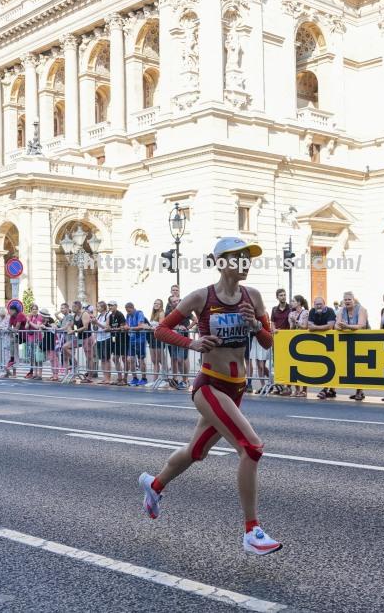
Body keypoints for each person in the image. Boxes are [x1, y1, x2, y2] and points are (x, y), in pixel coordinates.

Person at [140, 237, 281, 555]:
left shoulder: (253, 296)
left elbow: (269, 341)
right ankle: (251, 531)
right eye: (238, 258)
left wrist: (255, 323)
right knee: (252, 447)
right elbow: (161, 329)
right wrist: (192, 343)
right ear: (221, 262)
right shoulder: (201, 297)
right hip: (210, 385)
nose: (244, 263)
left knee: (196, 452)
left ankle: (155, 485)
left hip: (238, 386)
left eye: (247, 258)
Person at [335, 291, 370, 401]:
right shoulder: (341, 310)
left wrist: (346, 326)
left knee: (360, 366)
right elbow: (336, 324)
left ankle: (359, 391)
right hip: (348, 340)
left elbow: (361, 325)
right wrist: (340, 327)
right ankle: (332, 389)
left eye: (349, 299)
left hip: (363, 340)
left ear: (354, 300)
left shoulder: (361, 309)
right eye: (345, 300)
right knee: (348, 365)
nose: (347, 301)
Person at [307, 296, 338, 399]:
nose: (318, 306)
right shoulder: (312, 311)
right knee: (323, 367)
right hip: (318, 343)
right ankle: (332, 390)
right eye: (316, 304)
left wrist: (316, 328)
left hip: (331, 342)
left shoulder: (330, 311)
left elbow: (330, 326)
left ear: (324, 304)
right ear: (314, 305)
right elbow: (309, 326)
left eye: (320, 304)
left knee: (331, 366)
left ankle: (325, 389)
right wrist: (321, 328)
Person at [125, 302, 150, 385]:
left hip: (140, 339)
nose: (128, 312)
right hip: (131, 339)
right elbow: (126, 325)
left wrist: (129, 328)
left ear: (132, 308)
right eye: (127, 311)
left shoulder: (139, 313)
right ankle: (134, 378)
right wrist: (125, 327)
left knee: (140, 360)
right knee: (130, 359)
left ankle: (144, 378)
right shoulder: (128, 315)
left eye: (129, 311)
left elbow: (140, 326)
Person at [93, 301, 114, 384]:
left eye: (98, 307)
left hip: (106, 338)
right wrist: (94, 324)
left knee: (107, 359)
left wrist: (97, 323)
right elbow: (96, 328)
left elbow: (106, 327)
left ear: (103, 307)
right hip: (99, 339)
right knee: (102, 359)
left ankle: (108, 378)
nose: (97, 308)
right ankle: (104, 377)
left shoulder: (108, 315)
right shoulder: (98, 316)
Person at [108, 300, 128, 385]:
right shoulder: (110, 315)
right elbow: (108, 326)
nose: (110, 307)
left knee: (124, 359)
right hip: (114, 339)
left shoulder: (120, 314)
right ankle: (119, 377)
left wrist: (113, 329)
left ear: (116, 306)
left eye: (111, 305)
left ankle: (125, 378)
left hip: (122, 339)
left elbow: (123, 327)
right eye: (109, 306)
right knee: (114, 358)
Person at [148, 299, 167, 385]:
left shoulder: (161, 313)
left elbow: (160, 326)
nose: (156, 305)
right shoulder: (153, 314)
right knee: (154, 360)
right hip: (152, 337)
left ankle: (165, 379)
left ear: (161, 305)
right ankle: (154, 380)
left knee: (161, 359)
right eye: (155, 303)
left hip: (158, 338)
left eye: (158, 304)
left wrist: (149, 327)